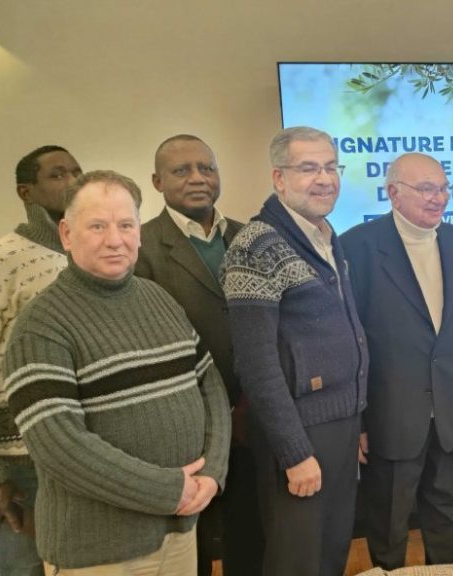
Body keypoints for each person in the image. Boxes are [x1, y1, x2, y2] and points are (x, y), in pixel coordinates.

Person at [2, 170, 231, 574]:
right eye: (97, 226)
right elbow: (60, 447)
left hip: (180, 530)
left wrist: (212, 472)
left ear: (139, 233)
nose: (114, 239)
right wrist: (170, 490)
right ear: (67, 234)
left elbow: (209, 385)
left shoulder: (158, 298)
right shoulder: (40, 326)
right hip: (99, 551)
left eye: (126, 225)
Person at [341, 152, 453, 569]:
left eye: (444, 188)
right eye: (426, 189)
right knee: (388, 524)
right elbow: (349, 343)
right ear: (393, 192)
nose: (439, 198)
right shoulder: (357, 247)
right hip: (388, 416)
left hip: (450, 413)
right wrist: (358, 420)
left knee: (448, 518)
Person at [222, 126, 367, 576]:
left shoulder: (324, 233)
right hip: (300, 433)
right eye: (309, 168)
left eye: (331, 166)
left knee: (331, 550)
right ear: (279, 178)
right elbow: (257, 362)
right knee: (297, 560)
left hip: (340, 422)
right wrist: (294, 452)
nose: (325, 178)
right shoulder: (256, 246)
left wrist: (359, 418)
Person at [134, 134, 262, 575]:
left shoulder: (250, 236)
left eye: (206, 168)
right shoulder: (141, 247)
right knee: (195, 539)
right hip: (189, 422)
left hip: (254, 414)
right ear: (157, 181)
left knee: (252, 529)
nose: (198, 178)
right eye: (181, 170)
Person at [0, 145, 81, 576]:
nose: (73, 182)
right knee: (25, 569)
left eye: (77, 172)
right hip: (21, 461)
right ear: (25, 192)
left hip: (86, 454)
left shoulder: (95, 257)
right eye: (58, 175)